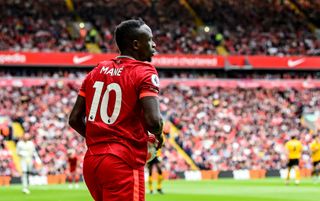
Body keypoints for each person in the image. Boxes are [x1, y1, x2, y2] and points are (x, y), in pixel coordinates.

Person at [69, 19, 163, 201]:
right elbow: (154, 121)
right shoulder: (144, 71)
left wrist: (100, 141)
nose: (154, 44)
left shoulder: (97, 70)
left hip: (93, 162)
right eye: (149, 39)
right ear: (136, 44)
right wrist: (158, 135)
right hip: (122, 162)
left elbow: (74, 119)